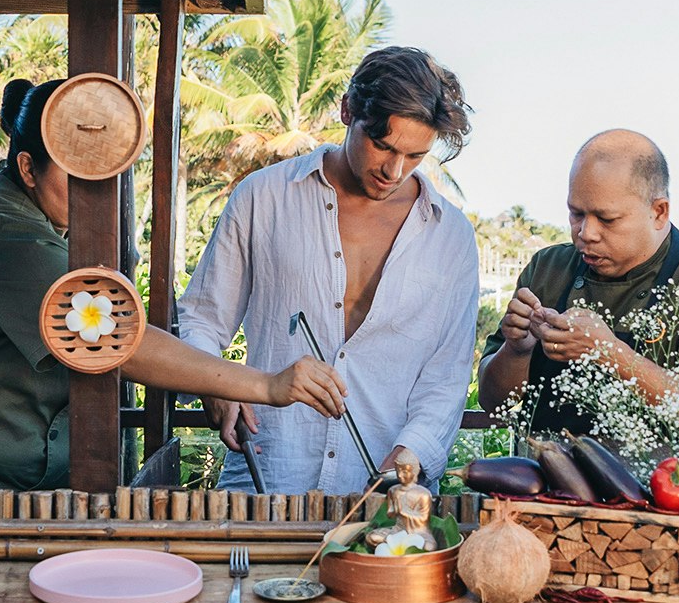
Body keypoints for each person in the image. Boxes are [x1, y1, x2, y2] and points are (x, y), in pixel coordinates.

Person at [0, 77, 346, 492]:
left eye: (100, 172)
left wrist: (212, 379)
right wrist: (266, 384)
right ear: (26, 168)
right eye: (74, 173)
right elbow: (117, 342)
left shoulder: (55, 230)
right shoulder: (3, 234)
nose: (92, 190)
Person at [176, 46, 483, 493]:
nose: (393, 170)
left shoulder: (450, 236)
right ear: (347, 110)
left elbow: (447, 376)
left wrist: (411, 454)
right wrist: (216, 385)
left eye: (415, 156)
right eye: (382, 145)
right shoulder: (264, 198)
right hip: (266, 474)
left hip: (385, 496)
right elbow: (203, 318)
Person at [479, 128, 679, 439]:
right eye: (576, 214)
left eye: (607, 219)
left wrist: (610, 353)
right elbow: (492, 403)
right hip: (540, 477)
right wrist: (516, 350)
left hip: (662, 483)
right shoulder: (547, 270)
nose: (586, 233)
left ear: (659, 212)